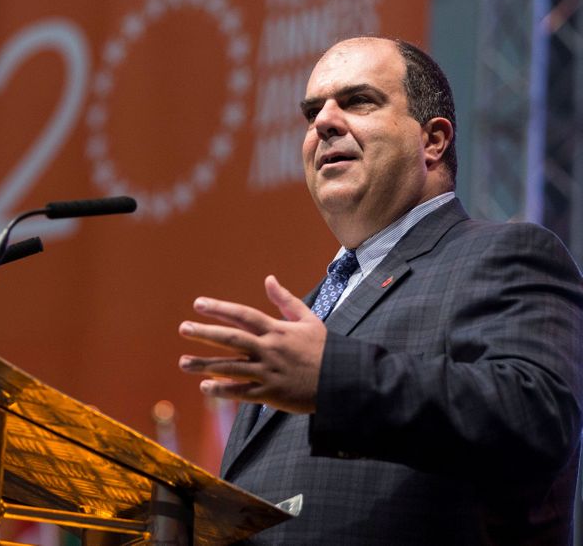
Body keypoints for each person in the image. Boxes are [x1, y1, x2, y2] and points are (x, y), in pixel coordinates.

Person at [178, 36, 583, 545]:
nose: (322, 122)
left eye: (357, 101)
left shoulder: (504, 254)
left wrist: (333, 379)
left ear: (432, 140)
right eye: (311, 112)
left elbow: (536, 417)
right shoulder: (307, 317)